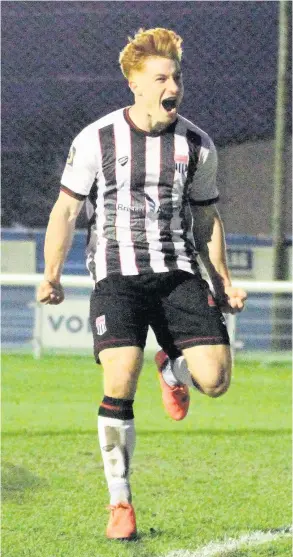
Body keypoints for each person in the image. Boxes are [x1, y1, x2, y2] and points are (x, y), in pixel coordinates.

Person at [37, 27, 247, 541]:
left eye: (176, 75)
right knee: (118, 380)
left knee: (216, 381)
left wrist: (223, 279)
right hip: (116, 275)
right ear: (135, 84)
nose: (172, 84)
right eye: (161, 76)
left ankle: (173, 367)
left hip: (177, 273)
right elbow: (66, 210)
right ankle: (120, 503)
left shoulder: (196, 144)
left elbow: (206, 218)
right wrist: (52, 273)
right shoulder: (96, 138)